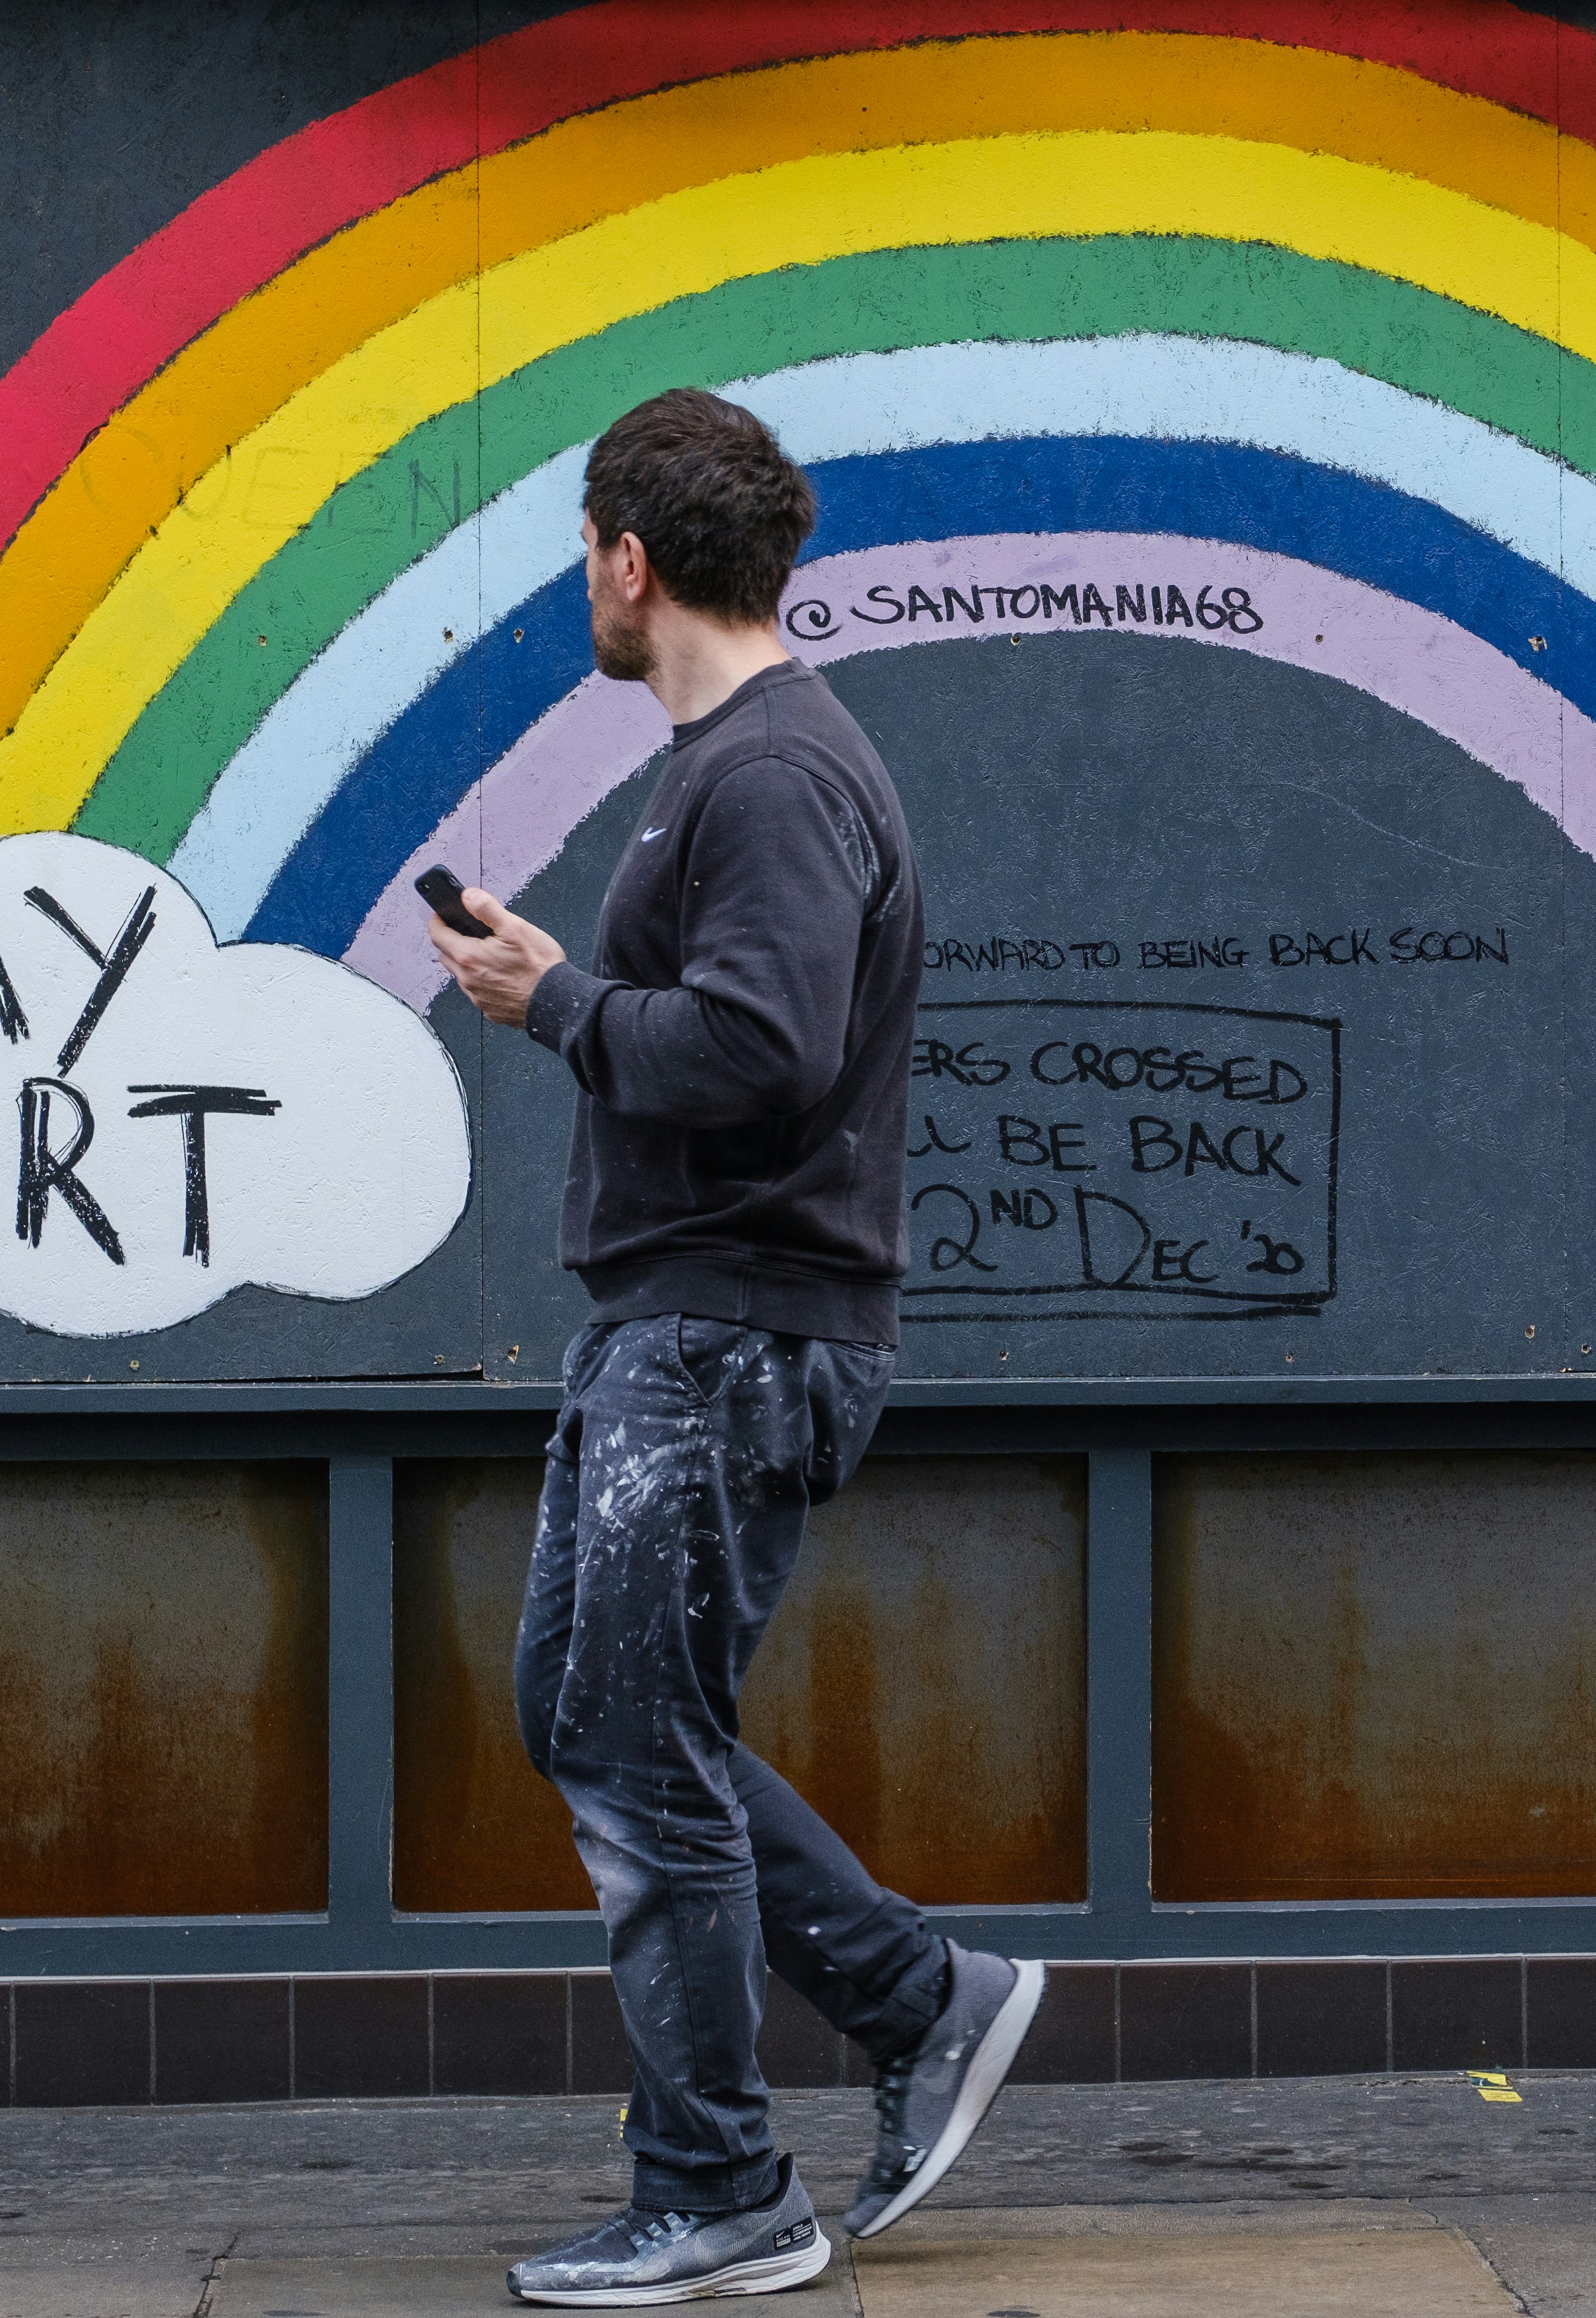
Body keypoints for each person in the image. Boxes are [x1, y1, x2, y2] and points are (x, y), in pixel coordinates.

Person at [428, 388, 1044, 2307]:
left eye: (583, 557)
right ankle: (914, 1992)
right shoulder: (748, 760)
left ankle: (722, 2191)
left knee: (634, 1748)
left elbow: (764, 1049)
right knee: (595, 1717)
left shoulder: (768, 773)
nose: (583, 587)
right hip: (692, 1328)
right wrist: (585, 996)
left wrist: (559, 1006)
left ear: (630, 558)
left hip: (727, 1337)